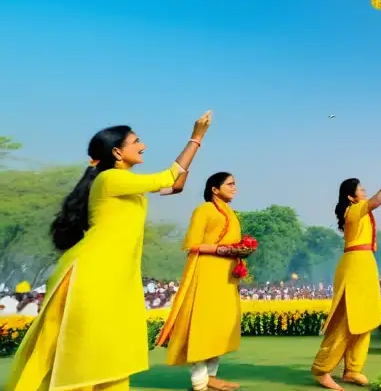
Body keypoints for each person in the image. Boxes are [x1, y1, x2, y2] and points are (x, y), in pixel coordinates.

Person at [5, 113, 212, 391]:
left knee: (109, 347)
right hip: (91, 274)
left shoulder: (126, 184)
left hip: (112, 275)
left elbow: (174, 184)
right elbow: (168, 175)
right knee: (69, 347)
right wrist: (196, 137)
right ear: (117, 152)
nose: (144, 146)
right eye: (136, 141)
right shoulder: (110, 179)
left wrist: (188, 159)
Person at [158, 172, 252, 391]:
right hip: (207, 271)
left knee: (219, 326)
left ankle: (211, 377)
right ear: (214, 189)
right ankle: (200, 381)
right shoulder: (204, 210)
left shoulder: (232, 213)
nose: (234, 187)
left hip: (226, 275)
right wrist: (224, 249)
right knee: (203, 325)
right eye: (230, 184)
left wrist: (241, 250)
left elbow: (233, 243)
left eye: (235, 183)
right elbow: (192, 244)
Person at [311, 152, 381, 389]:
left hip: (365, 262)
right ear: (351, 197)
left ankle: (353, 369)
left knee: (366, 318)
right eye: (360, 189)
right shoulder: (355, 210)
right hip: (355, 264)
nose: (364, 191)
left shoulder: (360, 212)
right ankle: (321, 368)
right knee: (348, 320)